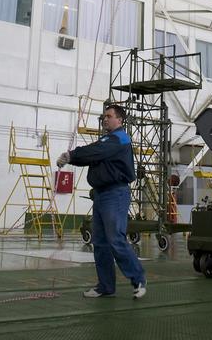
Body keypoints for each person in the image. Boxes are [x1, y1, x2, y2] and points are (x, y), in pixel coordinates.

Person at [58, 103, 147, 299]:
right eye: (104, 116)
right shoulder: (107, 140)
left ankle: (138, 279)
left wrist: (71, 155)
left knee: (115, 238)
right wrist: (71, 158)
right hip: (100, 194)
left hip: (115, 194)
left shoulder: (119, 139)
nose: (105, 119)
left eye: (108, 116)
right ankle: (106, 286)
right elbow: (93, 155)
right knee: (100, 242)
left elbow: (96, 151)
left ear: (120, 120)